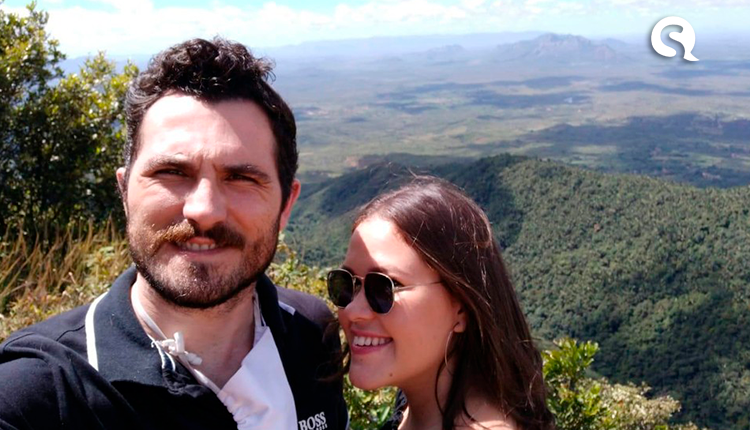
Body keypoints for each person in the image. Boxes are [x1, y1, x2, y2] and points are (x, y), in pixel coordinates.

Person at [0, 37, 347, 430]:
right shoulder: (36, 396)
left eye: (241, 178)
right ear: (124, 193)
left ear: (286, 205)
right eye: (171, 172)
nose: (204, 210)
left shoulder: (311, 332)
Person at [327, 176, 555, 430]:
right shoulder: (415, 406)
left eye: (384, 288)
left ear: (461, 307)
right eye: (346, 283)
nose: (353, 310)